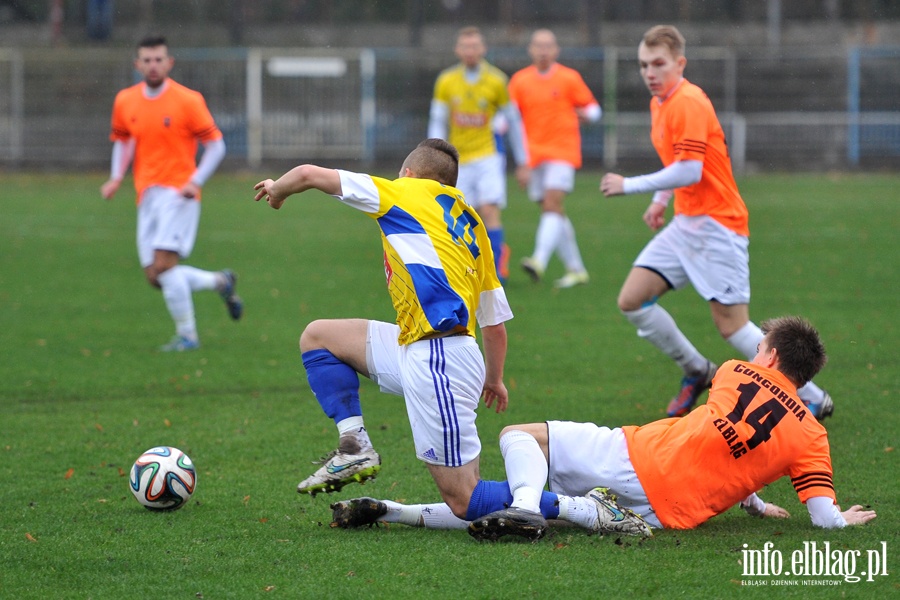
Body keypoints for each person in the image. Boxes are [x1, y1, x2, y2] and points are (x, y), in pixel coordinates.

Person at [330, 316, 876, 542]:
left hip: (635, 454)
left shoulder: (736, 372)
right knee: (577, 507)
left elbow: (722, 428)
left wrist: (754, 502)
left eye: (760, 346)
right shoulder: (812, 437)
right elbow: (820, 513)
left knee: (520, 436)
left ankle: (531, 505)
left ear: (771, 355)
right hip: (671, 513)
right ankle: (396, 510)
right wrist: (840, 520)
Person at [253, 139, 560, 525]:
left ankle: (572, 505)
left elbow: (309, 174)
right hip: (422, 347)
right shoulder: (471, 224)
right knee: (319, 337)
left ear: (409, 173)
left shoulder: (401, 191)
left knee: (465, 499)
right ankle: (354, 446)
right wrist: (494, 379)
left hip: (439, 358)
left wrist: (277, 190)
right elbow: (494, 324)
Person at [599, 25, 833, 418]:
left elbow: (690, 170)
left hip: (719, 225)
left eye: (658, 64)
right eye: (643, 65)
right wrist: (660, 200)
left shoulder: (688, 101)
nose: (649, 73)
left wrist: (631, 186)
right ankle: (696, 370)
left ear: (680, 63)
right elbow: (676, 164)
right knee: (632, 300)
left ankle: (810, 394)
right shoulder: (660, 102)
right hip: (686, 222)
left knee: (733, 327)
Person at [101, 34, 241, 352]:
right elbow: (123, 141)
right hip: (146, 195)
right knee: (155, 275)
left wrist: (196, 181)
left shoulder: (188, 100)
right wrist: (115, 178)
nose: (153, 65)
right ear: (138, 65)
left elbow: (217, 145)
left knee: (164, 266)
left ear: (169, 63)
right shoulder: (125, 100)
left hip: (179, 194)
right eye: (147, 60)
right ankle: (220, 281)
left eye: (158, 59)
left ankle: (188, 336)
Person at [428, 26, 528, 284]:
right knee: (462, 215)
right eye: (465, 46)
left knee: (489, 209)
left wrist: (524, 161)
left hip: (488, 156)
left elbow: (514, 122)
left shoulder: (496, 80)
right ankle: (466, 267)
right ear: (458, 50)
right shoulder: (446, 81)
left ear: (483, 49)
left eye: (475, 46)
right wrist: (434, 156)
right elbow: (438, 121)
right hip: (459, 160)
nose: (470, 51)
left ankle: (495, 271)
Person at [509, 29, 601, 289]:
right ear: (530, 49)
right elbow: (509, 117)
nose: (543, 50)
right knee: (554, 212)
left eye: (548, 46)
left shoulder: (569, 78)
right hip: (533, 155)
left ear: (556, 50)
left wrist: (587, 115)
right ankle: (577, 269)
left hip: (563, 151)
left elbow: (594, 109)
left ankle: (538, 260)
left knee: (552, 204)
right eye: (538, 46)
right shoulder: (520, 81)